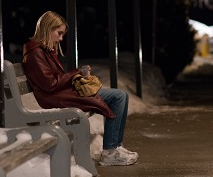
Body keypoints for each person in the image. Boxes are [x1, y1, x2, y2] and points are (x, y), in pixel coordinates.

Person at [22, 10, 138, 166]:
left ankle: (115, 146)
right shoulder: (36, 52)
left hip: (60, 94)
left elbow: (53, 81)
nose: (61, 38)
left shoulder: (43, 51)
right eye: (59, 33)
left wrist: (77, 76)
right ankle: (110, 151)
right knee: (118, 97)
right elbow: (50, 84)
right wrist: (76, 73)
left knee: (121, 95)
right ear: (48, 28)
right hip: (55, 98)